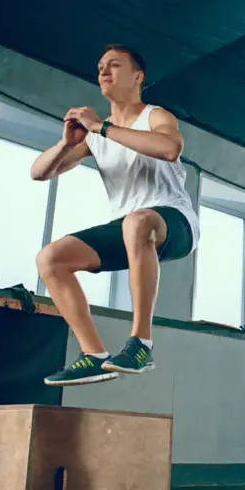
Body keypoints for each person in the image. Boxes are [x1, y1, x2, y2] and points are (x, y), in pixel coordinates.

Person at [30, 44, 200, 386]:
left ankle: (141, 343)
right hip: (127, 227)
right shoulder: (94, 135)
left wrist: (101, 128)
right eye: (100, 67)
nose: (103, 71)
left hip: (174, 221)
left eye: (114, 65)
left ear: (137, 76)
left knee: (139, 221)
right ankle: (94, 355)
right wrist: (67, 143)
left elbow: (169, 148)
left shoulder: (155, 115)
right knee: (51, 259)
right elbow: (39, 172)